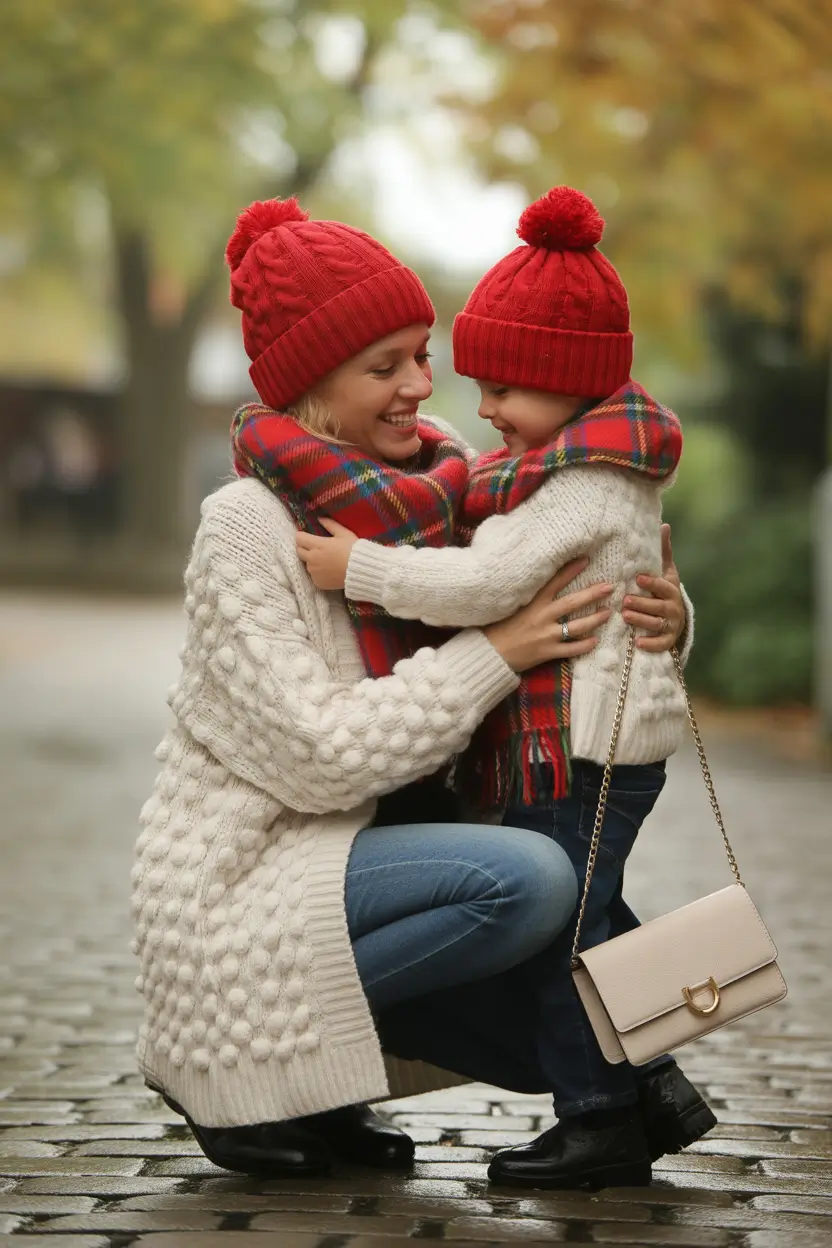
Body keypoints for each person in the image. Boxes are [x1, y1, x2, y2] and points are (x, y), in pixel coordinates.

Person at [132, 195, 690, 1184]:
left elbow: (563, 569)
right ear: (310, 381)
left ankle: (338, 1083)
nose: (420, 387)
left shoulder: (445, 490)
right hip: (257, 874)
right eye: (383, 365)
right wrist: (498, 653)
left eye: (421, 356)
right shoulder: (247, 529)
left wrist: (667, 615)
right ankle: (237, 1067)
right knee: (533, 881)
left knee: (558, 1038)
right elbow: (319, 757)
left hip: (368, 858)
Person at [291, 187, 717, 1190]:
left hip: (586, 749)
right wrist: (676, 611)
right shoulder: (567, 468)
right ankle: (653, 1085)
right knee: (595, 917)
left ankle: (600, 1117)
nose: (480, 411)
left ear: (565, 385)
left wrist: (359, 567)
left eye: (502, 391)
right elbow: (626, 573)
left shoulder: (581, 484)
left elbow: (486, 579)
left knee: (568, 931)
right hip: (585, 740)